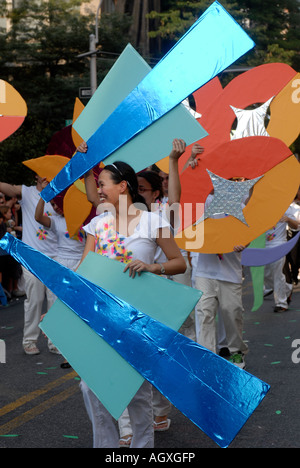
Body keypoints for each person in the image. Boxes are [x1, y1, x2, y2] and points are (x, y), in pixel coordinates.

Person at [77, 144, 186, 448]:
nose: (98, 189)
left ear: (122, 186)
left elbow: (179, 262)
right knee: (90, 387)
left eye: (102, 184)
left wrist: (152, 267)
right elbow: (83, 271)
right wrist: (61, 305)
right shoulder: (98, 225)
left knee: (137, 394)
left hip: (139, 319)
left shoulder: (153, 221)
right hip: (102, 317)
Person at [188, 144, 248, 369]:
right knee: (204, 313)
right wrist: (191, 163)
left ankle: (236, 353)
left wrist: (245, 243)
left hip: (230, 270)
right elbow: (186, 187)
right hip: (204, 269)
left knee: (232, 313)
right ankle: (208, 359)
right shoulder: (201, 202)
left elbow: (249, 232)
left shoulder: (241, 206)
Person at [0, 176, 59, 355]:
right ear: (36, 176)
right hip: (32, 257)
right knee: (34, 300)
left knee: (55, 301)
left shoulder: (60, 194)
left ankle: (55, 341)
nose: (46, 178)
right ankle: (30, 340)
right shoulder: (27, 191)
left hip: (56, 257)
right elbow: (9, 188)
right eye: (42, 175)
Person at [264, 206, 299, 312]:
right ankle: (287, 288)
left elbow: (296, 226)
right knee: (265, 275)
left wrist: (288, 219)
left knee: (277, 273)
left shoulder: (285, 207)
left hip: (279, 244)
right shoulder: (260, 205)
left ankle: (281, 303)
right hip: (263, 245)